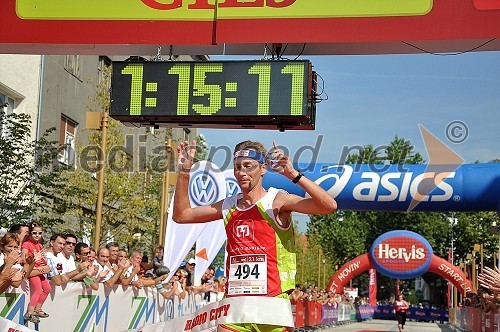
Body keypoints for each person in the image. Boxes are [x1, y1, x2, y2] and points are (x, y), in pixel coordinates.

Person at [173, 140, 337, 332]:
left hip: (272, 304)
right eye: (237, 167)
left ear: (263, 168)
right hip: (236, 303)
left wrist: (293, 175)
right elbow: (181, 215)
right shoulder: (228, 205)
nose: (241, 172)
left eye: (248, 166)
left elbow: (329, 206)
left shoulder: (277, 201)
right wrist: (184, 173)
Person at [21, 222, 51, 324]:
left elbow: (42, 259)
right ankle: (30, 312)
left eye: (39, 233)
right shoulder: (26, 244)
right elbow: (24, 259)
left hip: (40, 270)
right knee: (38, 290)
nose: (37, 235)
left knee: (47, 288)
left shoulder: (39, 245)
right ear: (30, 234)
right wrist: (33, 258)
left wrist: (45, 266)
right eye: (34, 233)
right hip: (33, 271)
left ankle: (37, 309)